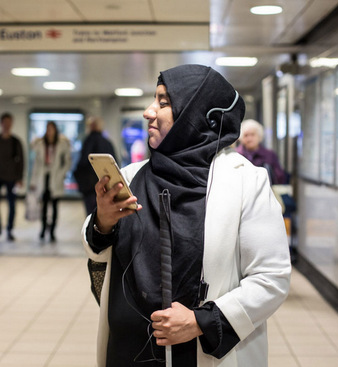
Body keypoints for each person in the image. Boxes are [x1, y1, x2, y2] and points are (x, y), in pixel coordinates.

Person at [81, 64, 291, 367]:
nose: (148, 111)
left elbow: (272, 278)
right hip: (128, 352)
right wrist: (103, 220)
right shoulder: (132, 175)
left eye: (163, 102)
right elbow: (98, 254)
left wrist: (200, 321)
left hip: (201, 353)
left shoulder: (245, 181)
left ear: (195, 113)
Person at [30, 121, 71, 242]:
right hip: (44, 178)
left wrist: (61, 173)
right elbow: (36, 163)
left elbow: (67, 162)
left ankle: (52, 231)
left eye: (51, 129)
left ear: (55, 130)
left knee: (54, 206)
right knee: (43, 206)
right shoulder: (41, 144)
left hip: (56, 177)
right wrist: (33, 181)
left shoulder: (62, 144)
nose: (49, 131)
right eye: (48, 129)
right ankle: (43, 229)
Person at [74, 116, 116, 215]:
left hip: (89, 186)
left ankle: (92, 230)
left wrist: (77, 175)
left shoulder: (88, 141)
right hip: (106, 183)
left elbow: (83, 162)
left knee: (90, 213)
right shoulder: (107, 142)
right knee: (102, 213)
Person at [236, 119, 287, 184]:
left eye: (252, 134)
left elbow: (280, 178)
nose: (249, 139)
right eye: (246, 135)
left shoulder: (269, 155)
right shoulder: (236, 155)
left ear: (259, 136)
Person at [0, 112, 24, 241]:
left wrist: (20, 178)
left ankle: (9, 229)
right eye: (5, 123)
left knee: (12, 205)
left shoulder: (16, 142)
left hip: (12, 177)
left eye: (9, 123)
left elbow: (21, 161)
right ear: (1, 124)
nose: (7, 125)